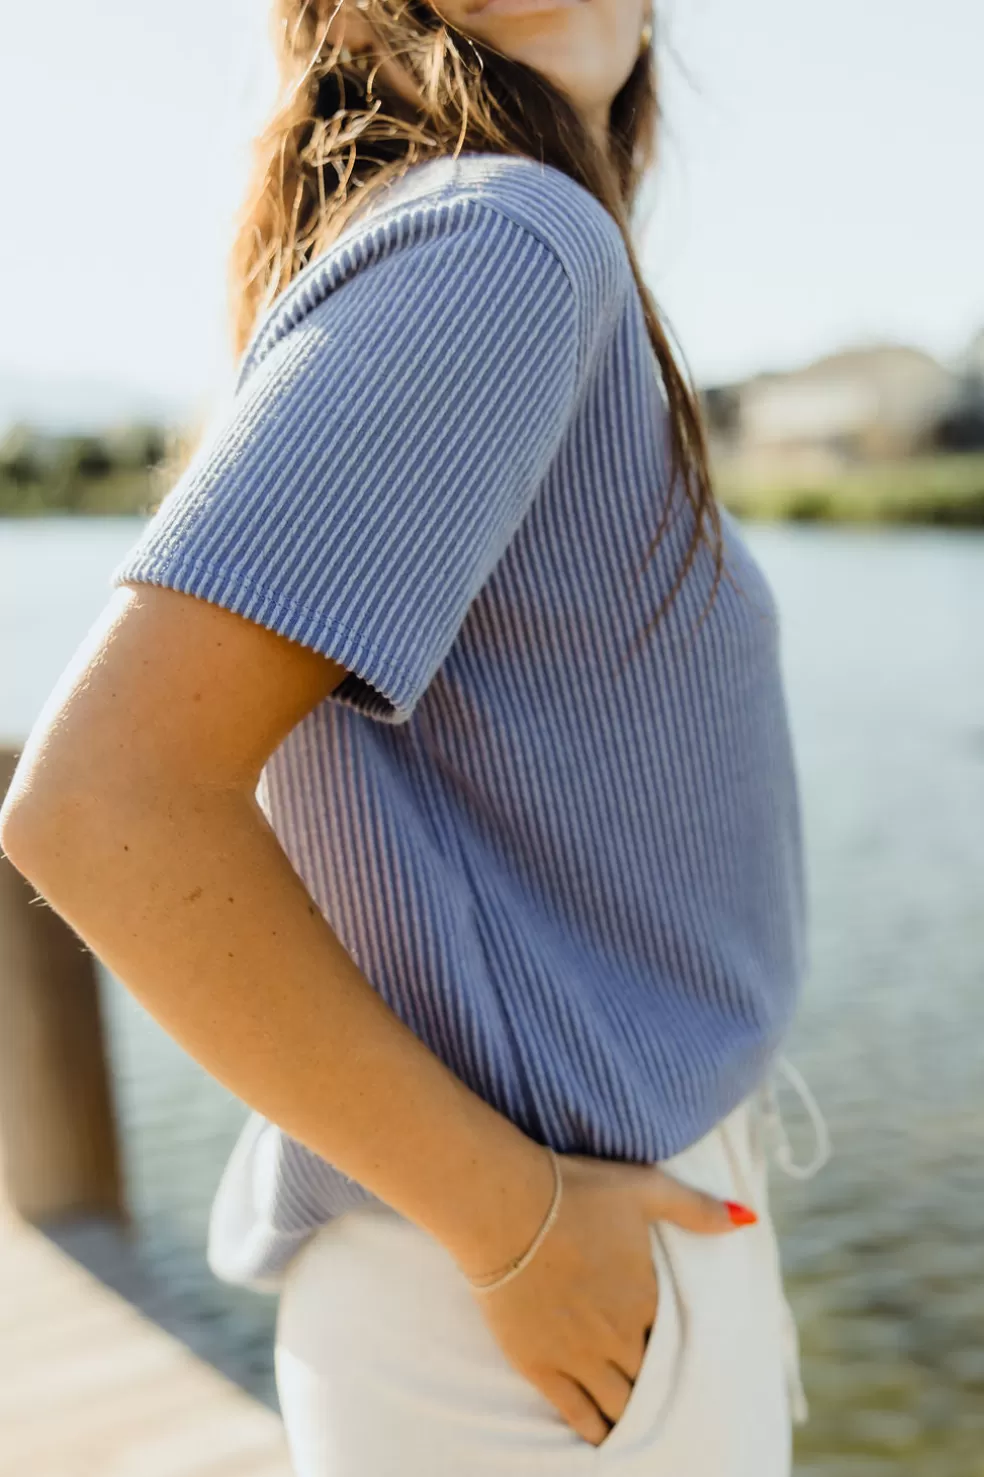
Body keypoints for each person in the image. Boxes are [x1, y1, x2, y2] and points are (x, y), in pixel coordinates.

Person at [0, 1, 830, 1472]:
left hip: (542, 1268)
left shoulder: (489, 243)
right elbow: (103, 806)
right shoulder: (508, 241)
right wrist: (521, 1233)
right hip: (527, 1288)